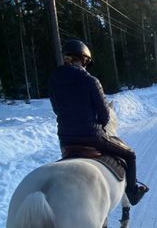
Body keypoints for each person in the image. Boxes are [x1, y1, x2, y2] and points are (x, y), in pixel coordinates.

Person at [49, 38, 148, 206]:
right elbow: (104, 115)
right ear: (84, 60)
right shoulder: (90, 80)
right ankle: (132, 193)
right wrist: (98, 125)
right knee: (130, 155)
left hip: (65, 140)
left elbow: (57, 109)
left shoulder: (53, 80)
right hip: (92, 137)